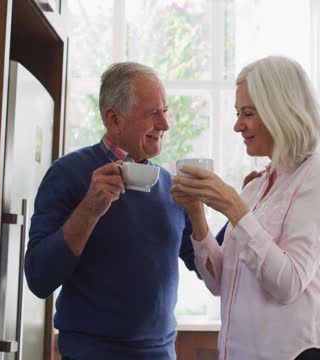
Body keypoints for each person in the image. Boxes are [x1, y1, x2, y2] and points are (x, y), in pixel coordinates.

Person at [171, 55, 320, 360]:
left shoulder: (318, 175)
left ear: (280, 110)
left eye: (248, 113)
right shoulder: (256, 187)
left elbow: (288, 284)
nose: (238, 125)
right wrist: (196, 212)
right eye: (238, 113)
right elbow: (218, 284)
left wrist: (233, 207)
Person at [24, 62, 198, 360]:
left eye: (165, 111)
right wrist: (89, 210)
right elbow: (39, 278)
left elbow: (209, 265)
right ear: (114, 118)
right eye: (152, 113)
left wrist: (245, 204)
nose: (165, 124)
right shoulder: (68, 173)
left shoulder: (171, 185)